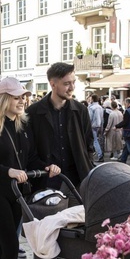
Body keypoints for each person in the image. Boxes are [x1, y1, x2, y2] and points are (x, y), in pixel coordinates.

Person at [0, 77, 60, 259]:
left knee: (3, 242)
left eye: (24, 97)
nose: (22, 101)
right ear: (4, 99)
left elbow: (30, 159)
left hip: (16, 193)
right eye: (17, 97)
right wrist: (9, 171)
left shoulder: (22, 127)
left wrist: (46, 167)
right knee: (11, 244)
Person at [25, 62, 94, 193]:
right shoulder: (33, 112)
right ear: (53, 84)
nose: (72, 87)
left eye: (73, 82)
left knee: (79, 214)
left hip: (78, 179)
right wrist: (43, 167)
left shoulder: (81, 110)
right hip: (47, 179)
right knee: (51, 214)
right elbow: (30, 149)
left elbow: (88, 142)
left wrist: (87, 164)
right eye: (67, 83)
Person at [87, 94, 104, 162]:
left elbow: (89, 118)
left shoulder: (92, 107)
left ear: (92, 99)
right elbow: (101, 117)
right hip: (98, 125)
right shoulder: (100, 107)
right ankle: (98, 154)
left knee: (94, 141)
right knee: (96, 140)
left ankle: (100, 155)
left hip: (92, 125)